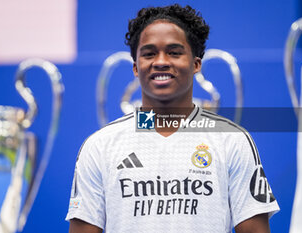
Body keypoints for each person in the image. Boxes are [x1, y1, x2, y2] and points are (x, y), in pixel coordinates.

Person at [66, 4, 279, 233]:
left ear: (196, 64)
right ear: (136, 68)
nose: (160, 61)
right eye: (149, 54)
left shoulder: (232, 140)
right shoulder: (100, 145)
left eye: (174, 52)